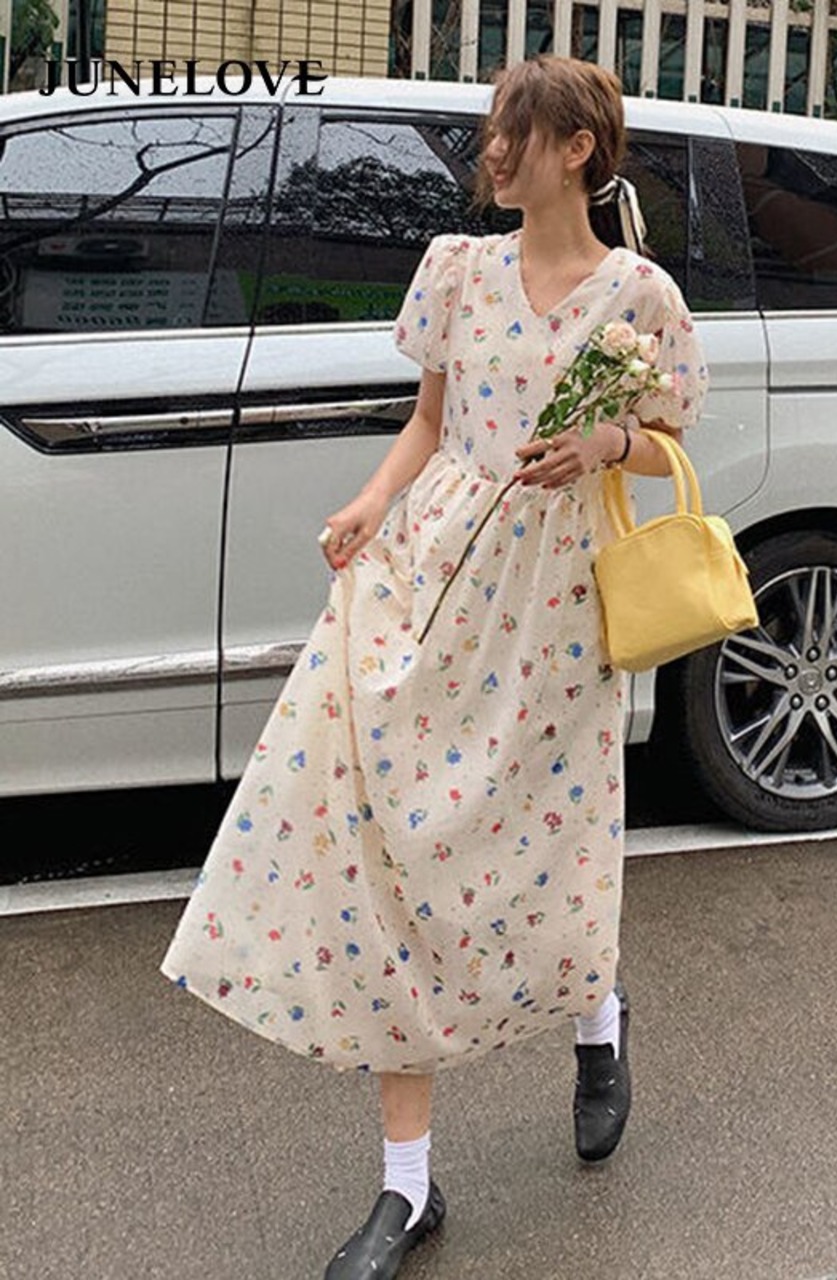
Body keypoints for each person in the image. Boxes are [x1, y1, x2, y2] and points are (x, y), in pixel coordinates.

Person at [159, 54, 708, 1280]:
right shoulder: (455, 267)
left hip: (556, 601)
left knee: (553, 838)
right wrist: (368, 505)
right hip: (433, 564)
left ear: (577, 148)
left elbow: (668, 431)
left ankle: (596, 1010)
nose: (491, 154)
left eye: (515, 133)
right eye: (490, 132)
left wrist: (607, 438)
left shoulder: (640, 293)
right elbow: (426, 420)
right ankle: (407, 1186)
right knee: (389, 846)